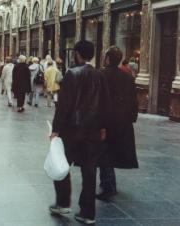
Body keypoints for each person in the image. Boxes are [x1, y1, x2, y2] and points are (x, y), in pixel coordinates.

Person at [49, 40, 109, 225]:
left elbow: (64, 106)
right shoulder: (100, 75)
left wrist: (56, 129)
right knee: (90, 171)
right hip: (92, 132)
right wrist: (103, 127)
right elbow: (106, 105)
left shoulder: (71, 74)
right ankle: (88, 213)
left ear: (77, 54)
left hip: (71, 130)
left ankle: (63, 203)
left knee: (61, 165)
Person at [97, 46, 139, 201]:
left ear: (108, 58)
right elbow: (134, 101)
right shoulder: (128, 77)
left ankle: (108, 186)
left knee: (104, 153)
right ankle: (107, 183)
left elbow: (98, 100)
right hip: (122, 122)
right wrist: (131, 119)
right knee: (110, 152)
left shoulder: (101, 75)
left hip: (105, 122)